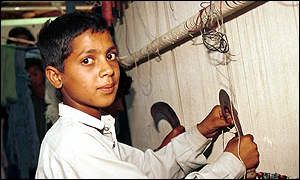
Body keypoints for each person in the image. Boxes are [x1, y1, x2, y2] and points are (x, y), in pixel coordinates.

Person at [35, 11, 259, 179]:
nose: (108, 69)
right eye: (87, 60)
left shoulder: (92, 133)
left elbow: (150, 168)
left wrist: (202, 131)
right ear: (56, 77)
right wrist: (234, 162)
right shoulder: (75, 146)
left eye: (110, 55)